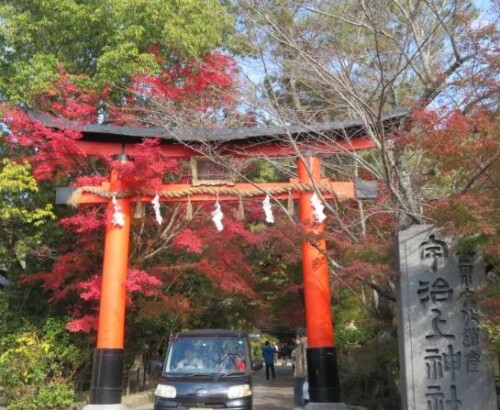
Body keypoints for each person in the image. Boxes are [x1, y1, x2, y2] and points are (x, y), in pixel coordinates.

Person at [292, 328, 308, 408]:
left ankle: (302, 407)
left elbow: (305, 359)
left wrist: (306, 373)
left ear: (299, 335)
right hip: (300, 372)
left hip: (302, 373)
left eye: (297, 336)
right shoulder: (301, 344)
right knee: (300, 393)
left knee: (301, 394)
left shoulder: (304, 344)